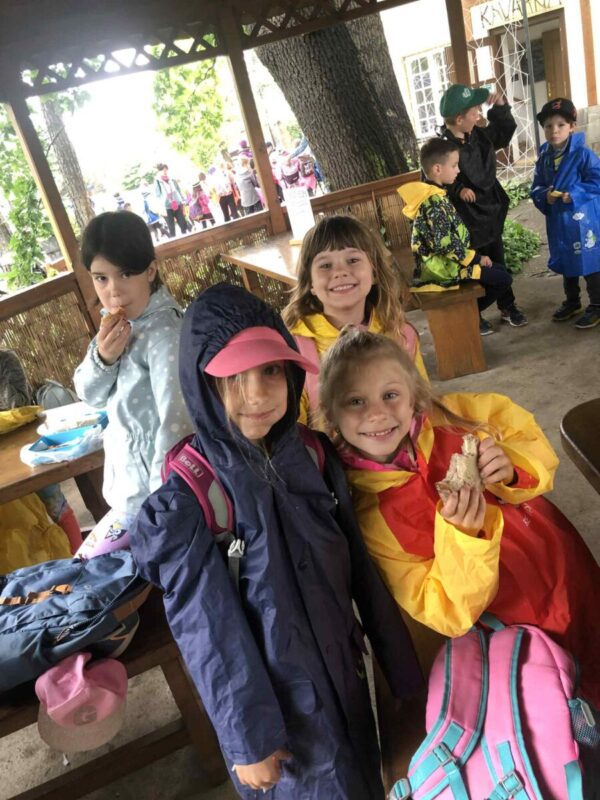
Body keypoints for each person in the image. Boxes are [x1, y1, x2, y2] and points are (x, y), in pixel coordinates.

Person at [129, 283, 422, 799]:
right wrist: (248, 740)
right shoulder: (193, 498)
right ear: (201, 383)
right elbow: (208, 629)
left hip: (344, 674)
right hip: (278, 719)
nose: (259, 395)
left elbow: (361, 569)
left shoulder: (312, 456)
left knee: (363, 776)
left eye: (270, 371)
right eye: (233, 378)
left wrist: (402, 672)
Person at [319, 327, 600, 705]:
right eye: (355, 401)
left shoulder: (459, 416)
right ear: (331, 415)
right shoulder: (373, 518)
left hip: (560, 558)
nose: (378, 413)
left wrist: (512, 465)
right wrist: (464, 537)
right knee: (569, 693)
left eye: (390, 395)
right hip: (512, 622)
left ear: (414, 395)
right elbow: (445, 612)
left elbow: (528, 436)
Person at [73, 211, 192, 559]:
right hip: (127, 494)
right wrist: (104, 358)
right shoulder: (114, 326)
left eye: (125, 274)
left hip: (157, 503)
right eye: (101, 278)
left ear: (150, 271)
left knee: (94, 567)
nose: (113, 290)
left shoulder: (166, 333)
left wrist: (163, 508)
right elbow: (89, 395)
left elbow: (177, 425)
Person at [283, 215, 427, 429]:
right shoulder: (293, 349)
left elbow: (423, 412)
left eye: (352, 260)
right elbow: (291, 433)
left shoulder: (401, 335)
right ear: (310, 283)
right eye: (325, 265)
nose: (340, 272)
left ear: (374, 272)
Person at [399, 138, 520, 336]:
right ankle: (466, 312)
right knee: (502, 278)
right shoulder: (433, 202)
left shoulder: (436, 194)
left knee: (499, 270)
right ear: (437, 169)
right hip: (442, 270)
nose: (458, 170)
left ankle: (469, 311)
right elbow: (446, 245)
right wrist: (476, 258)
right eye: (454, 165)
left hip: (448, 263)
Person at [439, 84, 527, 331]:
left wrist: (500, 107)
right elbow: (433, 179)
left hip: (490, 212)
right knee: (474, 268)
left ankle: (507, 305)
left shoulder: (479, 135)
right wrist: (457, 189)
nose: (479, 115)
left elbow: (503, 132)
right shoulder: (441, 148)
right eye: (474, 112)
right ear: (459, 119)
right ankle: (473, 313)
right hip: (466, 220)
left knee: (498, 259)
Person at [531, 97, 600, 329]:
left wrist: (576, 194)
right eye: (548, 126)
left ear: (572, 127)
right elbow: (537, 186)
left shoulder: (583, 154)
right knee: (566, 260)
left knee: (590, 260)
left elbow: (597, 180)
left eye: (561, 125)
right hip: (559, 220)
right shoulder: (544, 156)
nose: (554, 131)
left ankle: (597, 305)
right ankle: (572, 301)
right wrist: (545, 196)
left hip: (583, 220)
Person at [154, 163, 187, 237]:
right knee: (171, 228)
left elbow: (178, 190)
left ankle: (186, 238)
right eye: (163, 170)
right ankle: (174, 241)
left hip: (177, 203)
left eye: (166, 170)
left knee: (183, 224)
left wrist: (183, 200)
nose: (165, 171)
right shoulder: (157, 181)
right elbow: (157, 196)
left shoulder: (172, 179)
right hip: (166, 207)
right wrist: (160, 208)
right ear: (159, 171)